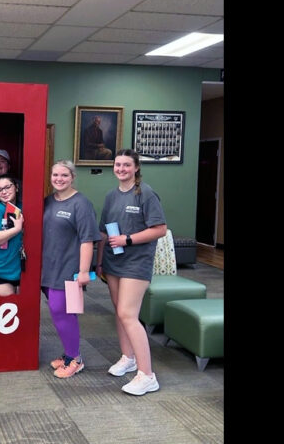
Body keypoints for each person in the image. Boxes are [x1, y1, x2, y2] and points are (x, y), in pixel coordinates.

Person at [97, 149, 167, 396]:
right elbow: (104, 233)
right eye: (118, 165)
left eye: (127, 165)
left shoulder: (145, 193)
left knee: (128, 314)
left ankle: (147, 376)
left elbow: (159, 229)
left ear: (136, 168)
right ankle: (129, 358)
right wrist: (98, 262)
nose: (121, 169)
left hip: (136, 263)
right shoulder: (111, 196)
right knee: (119, 312)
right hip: (113, 262)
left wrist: (128, 239)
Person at [41, 160, 100, 379]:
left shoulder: (81, 204)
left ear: (72, 177)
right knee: (59, 313)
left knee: (62, 312)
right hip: (48, 267)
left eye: (64, 175)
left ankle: (76, 359)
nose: (59, 179)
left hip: (69, 268)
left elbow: (87, 240)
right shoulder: (48, 201)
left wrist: (84, 271)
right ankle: (68, 354)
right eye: (55, 175)